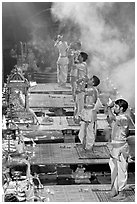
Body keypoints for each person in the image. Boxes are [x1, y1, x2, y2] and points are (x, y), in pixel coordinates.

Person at [106, 98, 130, 201]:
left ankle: (122, 192)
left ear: (121, 108)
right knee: (113, 169)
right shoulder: (118, 117)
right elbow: (109, 118)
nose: (114, 108)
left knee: (121, 170)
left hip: (121, 148)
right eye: (114, 106)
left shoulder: (124, 118)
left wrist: (108, 107)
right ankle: (114, 189)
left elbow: (111, 116)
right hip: (114, 147)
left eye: (116, 107)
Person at [78, 75, 100, 151]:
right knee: (83, 130)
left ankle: (89, 147)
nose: (89, 80)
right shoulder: (91, 89)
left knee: (90, 130)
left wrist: (83, 81)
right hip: (86, 111)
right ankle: (85, 146)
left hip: (90, 112)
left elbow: (81, 89)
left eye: (91, 79)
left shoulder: (92, 90)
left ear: (93, 83)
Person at [74, 52, 88, 120]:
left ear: (82, 58)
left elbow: (74, 65)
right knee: (77, 104)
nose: (78, 57)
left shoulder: (82, 65)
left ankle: (80, 118)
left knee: (80, 105)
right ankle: (77, 117)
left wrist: (73, 58)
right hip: (79, 86)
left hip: (81, 87)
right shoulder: (82, 64)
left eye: (79, 56)